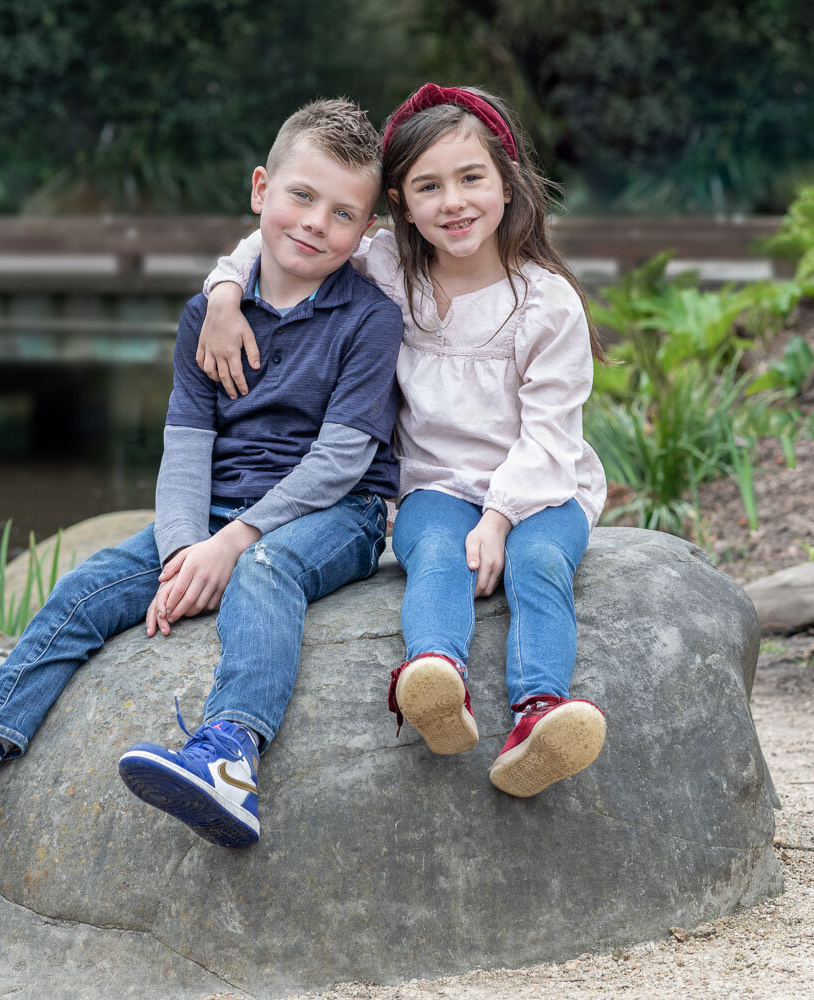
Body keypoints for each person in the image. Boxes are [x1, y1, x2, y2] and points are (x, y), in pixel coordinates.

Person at [0, 97, 403, 853]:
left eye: (343, 214)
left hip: (338, 512)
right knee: (87, 586)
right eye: (301, 196)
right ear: (260, 190)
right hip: (209, 509)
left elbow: (341, 460)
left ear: (366, 231)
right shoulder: (207, 318)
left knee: (265, 571)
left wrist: (230, 544)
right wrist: (182, 549)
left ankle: (230, 757)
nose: (314, 223)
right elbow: (185, 446)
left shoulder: (367, 317)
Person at [198, 83, 609, 798]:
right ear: (399, 203)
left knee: (539, 565)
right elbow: (283, 238)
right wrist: (226, 293)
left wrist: (502, 518)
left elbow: (551, 435)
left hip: (541, 490)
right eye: (429, 186)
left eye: (471, 178)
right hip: (436, 486)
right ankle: (435, 678)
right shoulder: (392, 269)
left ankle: (538, 712)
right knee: (432, 552)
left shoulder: (547, 303)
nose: (452, 201)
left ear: (507, 183)